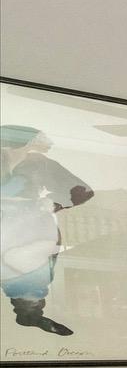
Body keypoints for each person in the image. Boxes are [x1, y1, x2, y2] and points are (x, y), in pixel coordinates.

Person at [0, 123, 93, 336]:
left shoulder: (40, 164)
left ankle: (31, 317)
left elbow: (83, 190)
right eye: (38, 139)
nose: (45, 143)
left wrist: (55, 202)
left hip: (31, 226)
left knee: (30, 277)